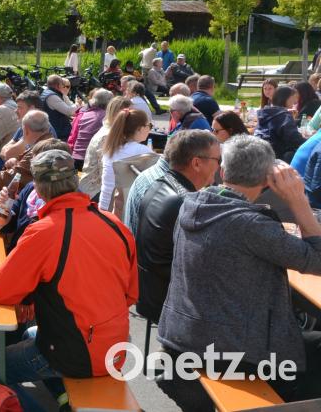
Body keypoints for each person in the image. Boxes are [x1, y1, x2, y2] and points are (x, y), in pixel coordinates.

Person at [157, 137, 321, 407]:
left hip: (183, 337)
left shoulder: (193, 203)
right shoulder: (251, 225)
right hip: (229, 351)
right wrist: (297, 200)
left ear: (223, 170)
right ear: (268, 179)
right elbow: (317, 259)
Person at [0, 149, 137, 412]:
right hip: (115, 347)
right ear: (76, 180)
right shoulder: (115, 224)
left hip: (79, 353)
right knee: (30, 333)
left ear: (38, 188)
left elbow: (1, 291)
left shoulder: (44, 230)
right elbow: (131, 294)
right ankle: (63, 399)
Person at [135, 130, 219, 325]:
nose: (220, 166)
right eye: (217, 159)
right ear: (197, 163)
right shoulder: (186, 203)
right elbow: (205, 261)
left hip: (150, 293)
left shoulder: (160, 183)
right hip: (171, 302)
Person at [99, 109, 153, 211]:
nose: (150, 129)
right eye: (149, 125)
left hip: (104, 205)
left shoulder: (110, 148)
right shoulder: (142, 151)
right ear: (139, 129)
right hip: (122, 210)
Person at [255, 85, 305, 162]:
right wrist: (310, 142)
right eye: (293, 98)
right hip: (275, 155)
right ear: (286, 98)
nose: (295, 101)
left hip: (260, 152)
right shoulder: (284, 115)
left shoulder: (265, 112)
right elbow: (294, 139)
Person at [68, 89, 112, 170]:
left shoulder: (84, 114)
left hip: (76, 157)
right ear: (109, 103)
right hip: (89, 159)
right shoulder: (106, 117)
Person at [40, 75, 76, 140]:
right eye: (63, 84)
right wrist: (78, 104)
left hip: (54, 130)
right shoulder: (52, 96)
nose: (63, 86)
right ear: (58, 85)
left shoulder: (47, 92)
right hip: (59, 133)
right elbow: (69, 111)